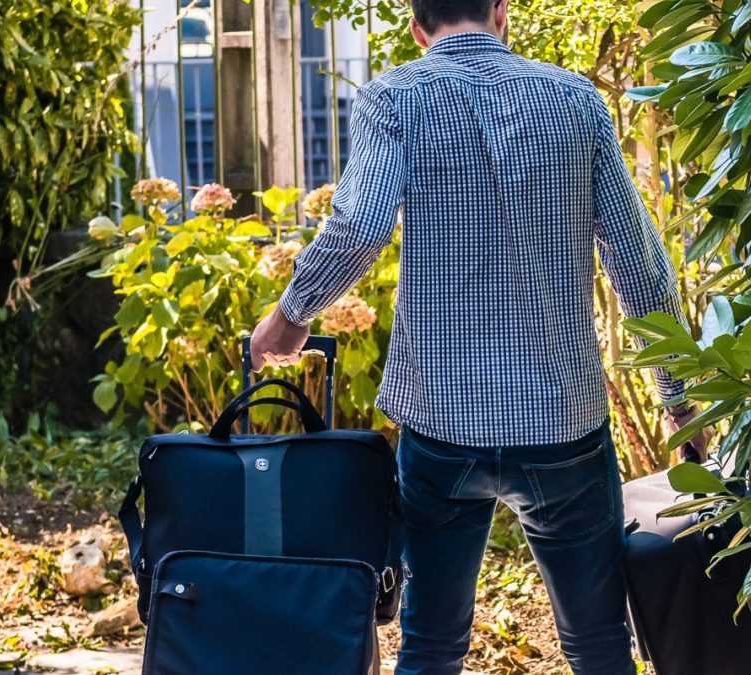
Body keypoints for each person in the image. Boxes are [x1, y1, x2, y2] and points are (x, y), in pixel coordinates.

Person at [249, 0, 706, 672]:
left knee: (432, 643)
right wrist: (680, 395)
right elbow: (638, 264)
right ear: (501, 13)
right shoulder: (577, 101)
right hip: (563, 425)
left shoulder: (393, 99)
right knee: (600, 641)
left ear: (415, 25)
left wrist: (291, 316)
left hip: (441, 427)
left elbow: (358, 227)